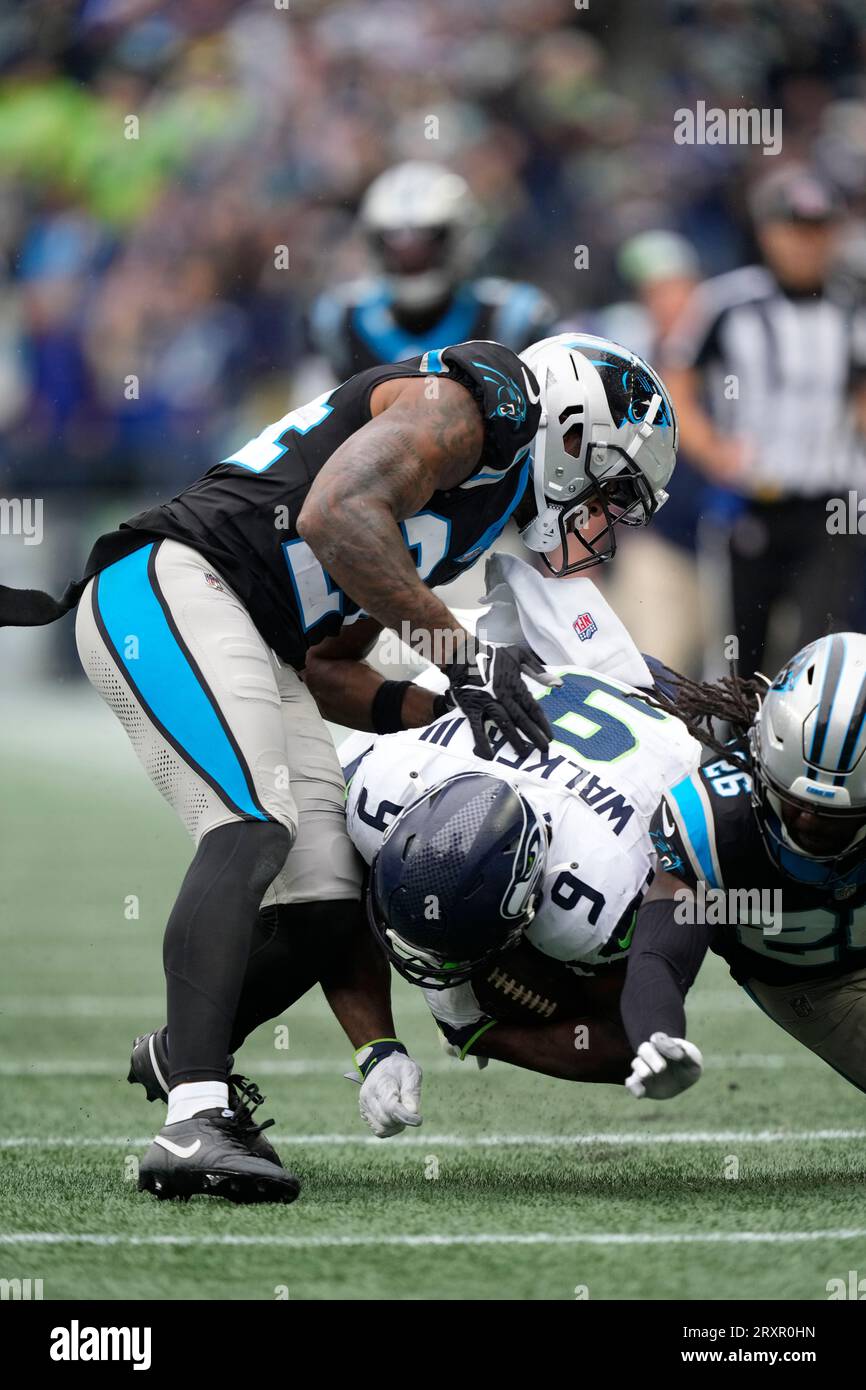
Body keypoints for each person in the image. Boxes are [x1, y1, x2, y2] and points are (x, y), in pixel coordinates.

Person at [0, 332, 676, 1199]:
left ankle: (181, 1052)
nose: (601, 517)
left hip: (259, 635)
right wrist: (464, 657)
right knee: (250, 828)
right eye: (609, 488)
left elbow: (328, 668)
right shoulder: (478, 405)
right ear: (575, 431)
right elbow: (336, 514)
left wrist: (452, 714)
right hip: (171, 581)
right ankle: (194, 1122)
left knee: (326, 895)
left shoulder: (483, 507)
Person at [622, 633, 866, 1100]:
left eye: (836, 817)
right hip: (817, 986)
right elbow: (661, 954)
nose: (809, 821)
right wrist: (658, 1032)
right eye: (793, 801)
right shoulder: (716, 824)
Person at [663, 164, 866, 679]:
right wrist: (710, 449)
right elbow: (674, 381)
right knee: (737, 659)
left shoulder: (853, 305)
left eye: (817, 227)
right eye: (793, 226)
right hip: (751, 502)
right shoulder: (729, 303)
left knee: (819, 656)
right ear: (767, 231)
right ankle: (733, 753)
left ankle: (806, 755)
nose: (805, 242)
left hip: (832, 506)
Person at [309, 162, 557, 382]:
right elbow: (311, 417)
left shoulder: (511, 317)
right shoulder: (340, 319)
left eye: (425, 241)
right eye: (395, 243)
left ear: (460, 238)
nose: (410, 256)